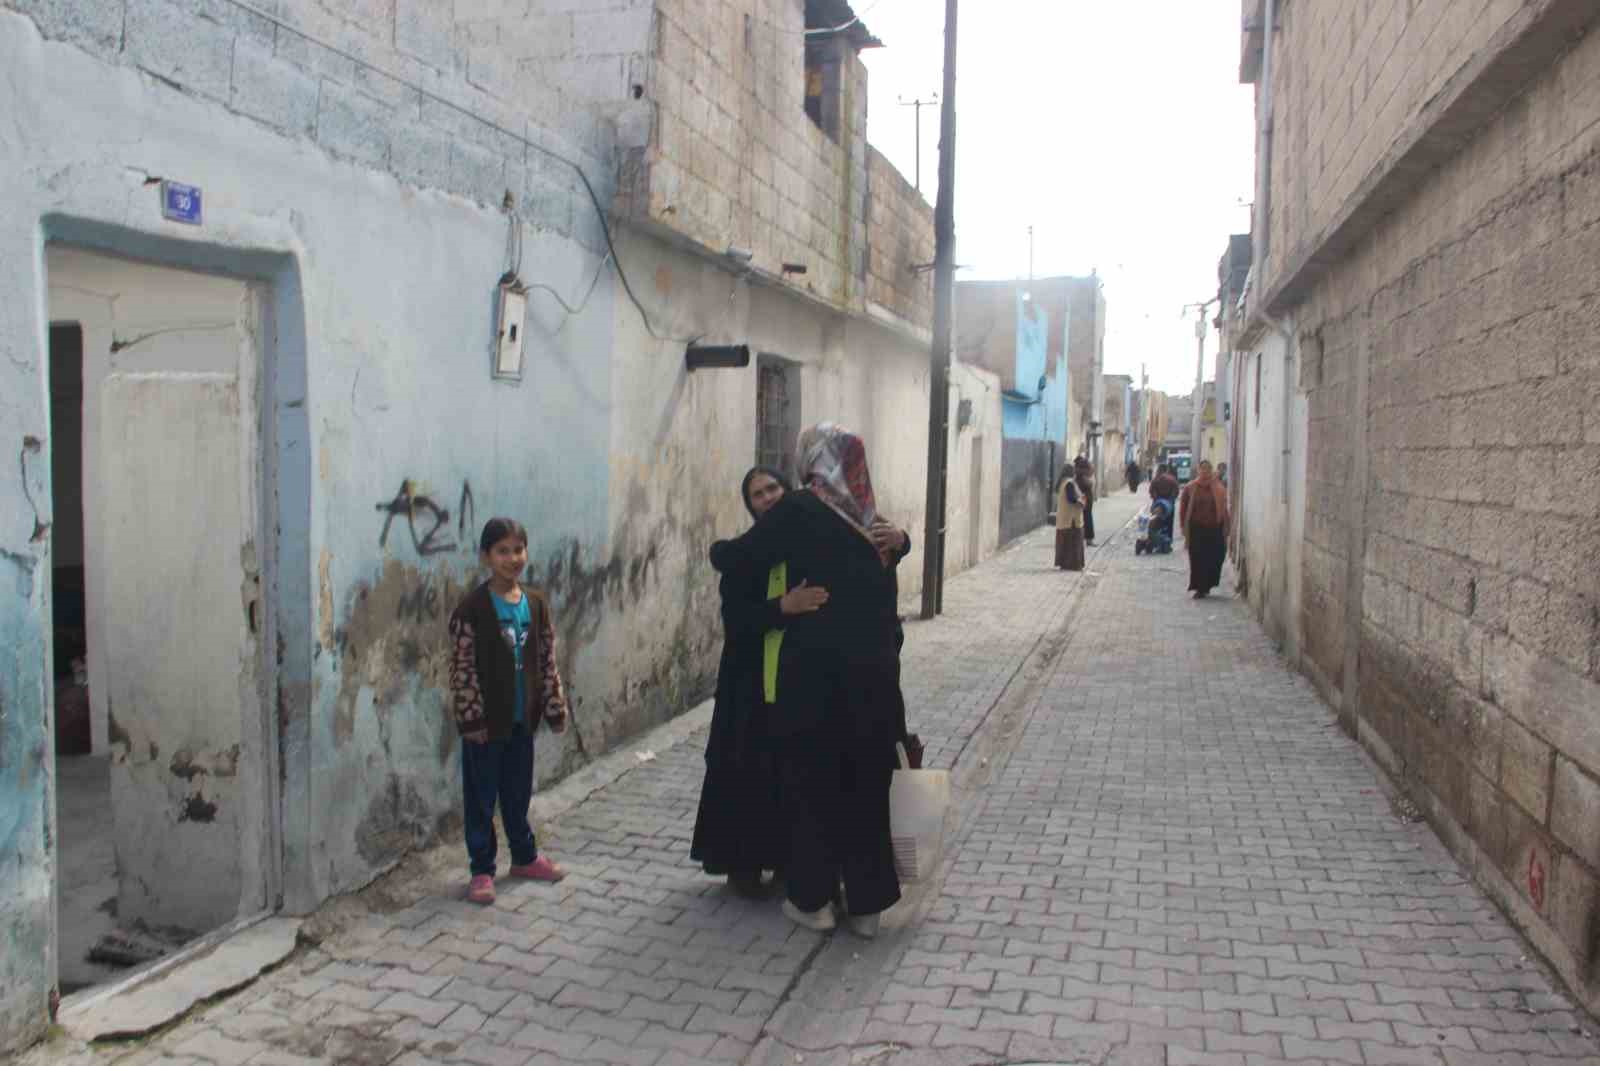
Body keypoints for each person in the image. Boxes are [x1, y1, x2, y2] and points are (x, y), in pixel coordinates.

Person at [709, 424, 910, 939]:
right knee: (867, 787)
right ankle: (867, 908)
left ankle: (813, 902)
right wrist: (904, 541)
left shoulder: (800, 508)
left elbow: (736, 557)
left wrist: (717, 550)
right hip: (876, 677)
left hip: (817, 679)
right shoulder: (871, 519)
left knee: (814, 787)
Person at [691, 467, 828, 898]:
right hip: (747, 689)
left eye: (773, 489)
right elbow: (736, 622)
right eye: (757, 494)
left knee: (788, 775)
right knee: (745, 775)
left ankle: (788, 862)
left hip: (795, 685)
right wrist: (782, 607)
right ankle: (743, 865)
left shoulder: (808, 552)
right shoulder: (742, 560)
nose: (767, 498)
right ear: (749, 505)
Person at [448, 518, 570, 905]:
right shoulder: (472, 609)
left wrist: (554, 707)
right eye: (502, 551)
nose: (512, 558)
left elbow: (547, 660)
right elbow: (462, 670)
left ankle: (524, 857)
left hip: (521, 721)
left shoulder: (535, 604)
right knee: (481, 799)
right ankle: (482, 870)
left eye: (518, 550)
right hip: (485, 725)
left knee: (517, 794)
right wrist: (471, 719)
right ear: (486, 556)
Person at [1179, 460, 1231, 598]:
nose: (1205, 471)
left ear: (1211, 470)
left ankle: (1208, 584)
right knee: (1198, 559)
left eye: (1208, 468)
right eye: (1202, 468)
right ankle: (1200, 588)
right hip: (1196, 529)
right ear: (1198, 470)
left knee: (1216, 556)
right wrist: (1183, 526)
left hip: (1215, 529)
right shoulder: (1190, 487)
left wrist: (1227, 525)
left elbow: (1224, 508)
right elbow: (1183, 508)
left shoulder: (1218, 487)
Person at [1054, 464, 1086, 571]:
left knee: (1065, 543)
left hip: (1064, 517)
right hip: (1071, 519)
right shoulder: (1069, 483)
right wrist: (1081, 501)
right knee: (1072, 543)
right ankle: (1072, 565)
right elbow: (1071, 499)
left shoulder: (1063, 482)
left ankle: (1065, 564)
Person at [1074, 456, 1097, 546]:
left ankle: (1084, 539)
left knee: (1083, 520)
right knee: (1086, 520)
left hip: (1084, 500)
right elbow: (1087, 485)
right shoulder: (1082, 476)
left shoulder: (1079, 475)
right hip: (1085, 500)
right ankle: (1088, 539)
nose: (1091, 470)